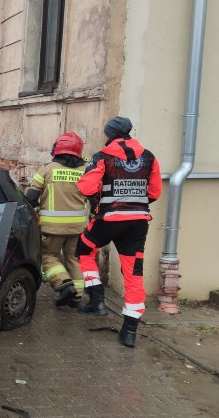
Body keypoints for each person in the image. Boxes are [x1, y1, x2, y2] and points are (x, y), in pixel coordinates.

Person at [75, 117, 162, 348]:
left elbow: (87, 188)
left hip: (108, 220)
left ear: (109, 133)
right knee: (134, 275)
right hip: (138, 223)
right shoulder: (149, 156)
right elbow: (154, 192)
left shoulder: (102, 156)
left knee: (84, 249)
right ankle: (130, 332)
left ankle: (96, 299)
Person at [25, 132, 89, 309]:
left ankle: (64, 284)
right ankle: (77, 297)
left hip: (52, 227)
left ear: (57, 148)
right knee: (73, 258)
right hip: (77, 227)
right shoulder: (85, 171)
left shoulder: (47, 169)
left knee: (48, 256)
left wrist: (37, 211)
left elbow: (30, 197)